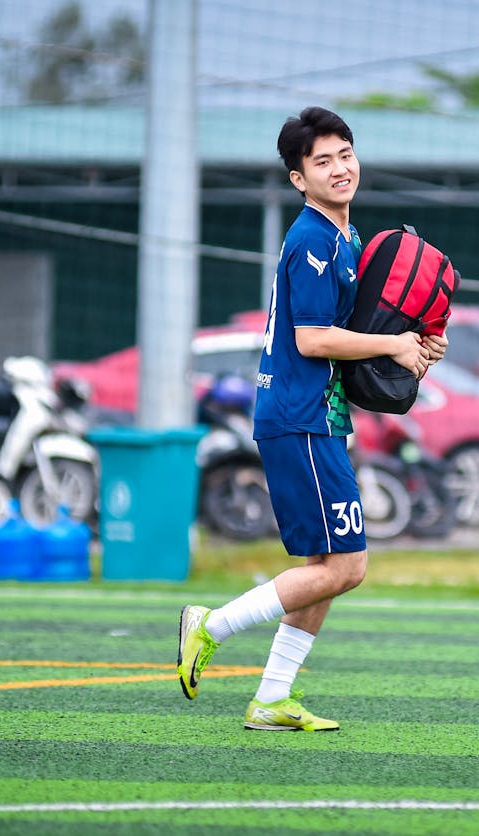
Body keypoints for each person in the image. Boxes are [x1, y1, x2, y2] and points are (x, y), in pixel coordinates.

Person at [177, 106, 447, 731]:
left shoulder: (346, 238)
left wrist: (413, 346)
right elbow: (312, 339)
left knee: (325, 569)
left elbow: (352, 334)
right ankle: (209, 625)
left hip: (316, 415)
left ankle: (271, 699)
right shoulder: (311, 239)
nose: (339, 168)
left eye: (345, 153)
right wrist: (391, 346)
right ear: (299, 179)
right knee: (347, 567)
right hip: (300, 417)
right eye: (321, 161)